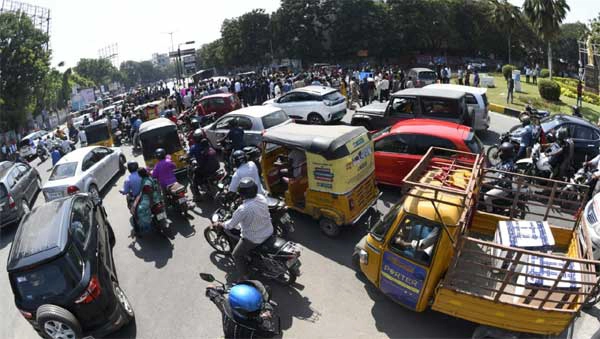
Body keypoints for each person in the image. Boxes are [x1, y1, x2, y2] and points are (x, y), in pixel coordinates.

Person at [213, 177, 274, 280]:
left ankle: (245, 276)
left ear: (242, 193)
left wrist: (220, 224)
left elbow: (230, 225)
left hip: (253, 238)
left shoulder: (243, 209)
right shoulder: (261, 197)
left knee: (236, 255)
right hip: (269, 230)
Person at [206, 281, 276, 339]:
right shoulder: (259, 328)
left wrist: (211, 288)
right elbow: (270, 333)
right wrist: (266, 316)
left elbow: (214, 295)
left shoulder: (226, 309)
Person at [484, 142, 516, 212]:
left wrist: (488, 182)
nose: (500, 153)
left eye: (501, 151)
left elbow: (499, 180)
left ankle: (489, 212)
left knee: (487, 196)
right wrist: (485, 170)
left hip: (503, 188)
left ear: (505, 154)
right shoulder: (505, 161)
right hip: (500, 184)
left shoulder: (507, 166)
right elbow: (495, 168)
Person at [188, 133, 220, 200]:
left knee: (194, 180)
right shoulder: (208, 146)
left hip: (204, 169)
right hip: (216, 167)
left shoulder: (194, 147)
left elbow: (190, 156)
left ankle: (197, 196)